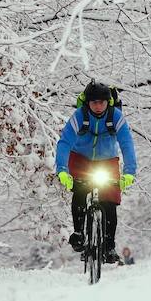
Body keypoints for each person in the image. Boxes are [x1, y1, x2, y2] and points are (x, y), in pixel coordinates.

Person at [55, 81, 137, 265]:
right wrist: (62, 170)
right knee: (80, 190)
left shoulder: (116, 117)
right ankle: (78, 233)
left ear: (108, 102)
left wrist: (129, 172)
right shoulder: (79, 116)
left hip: (107, 161)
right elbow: (65, 142)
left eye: (102, 102)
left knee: (110, 200)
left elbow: (127, 144)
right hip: (80, 158)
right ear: (88, 104)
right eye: (94, 103)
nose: (98, 106)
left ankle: (109, 246)